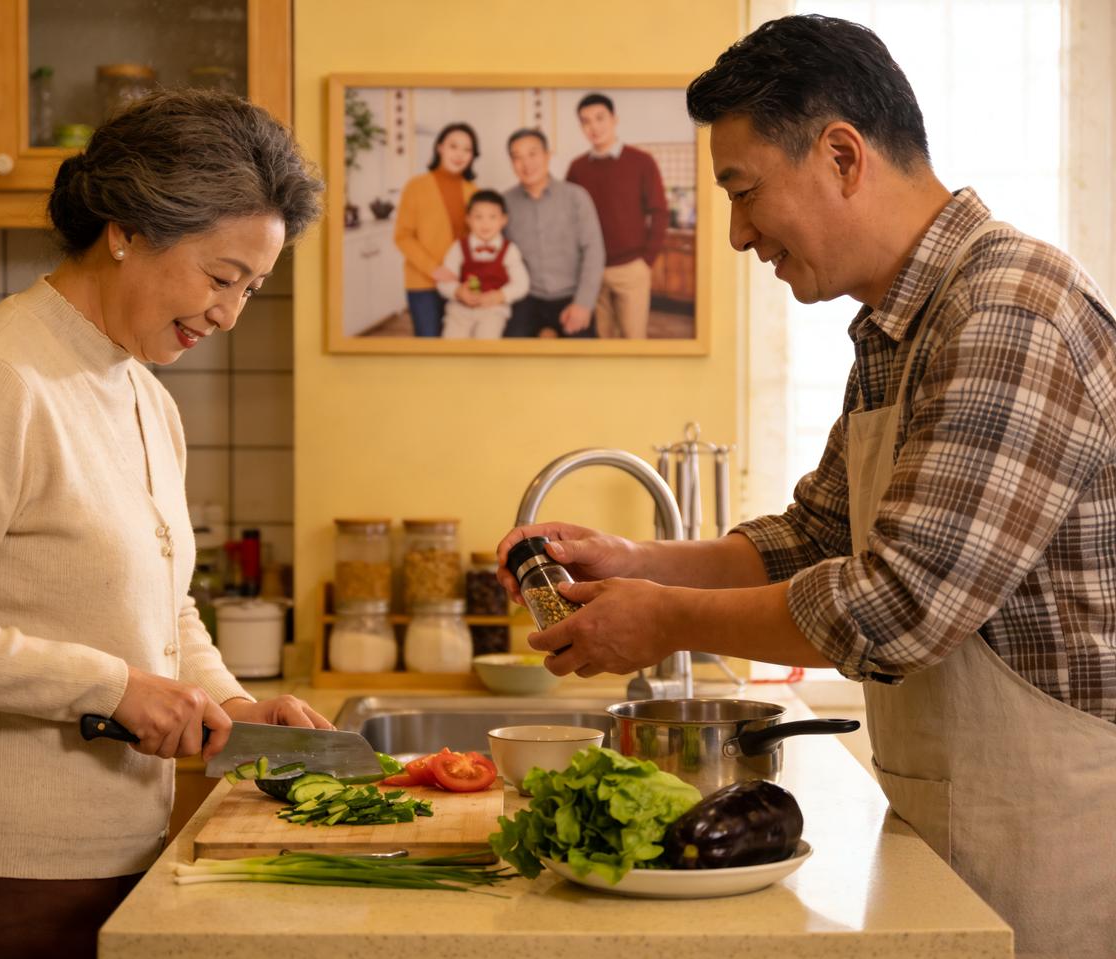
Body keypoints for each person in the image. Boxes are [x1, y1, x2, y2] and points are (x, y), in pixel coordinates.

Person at [497, 15, 1115, 959]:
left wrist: (663, 617)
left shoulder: (1009, 311)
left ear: (840, 155)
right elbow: (815, 533)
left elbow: (898, 606)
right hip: (960, 818)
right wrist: (631, 559)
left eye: (744, 193)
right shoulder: (899, 322)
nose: (739, 234)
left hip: (1058, 834)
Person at [0, 89, 332, 959]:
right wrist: (111, 688)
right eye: (221, 277)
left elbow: (166, 607)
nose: (229, 314)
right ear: (127, 228)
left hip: (118, 854)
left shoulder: (142, 389)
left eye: (252, 287)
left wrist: (237, 708)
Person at [566, 93, 669, 339]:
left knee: (634, 341)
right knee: (601, 341)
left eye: (600, 118)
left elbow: (659, 211)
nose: (594, 127)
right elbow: (569, 219)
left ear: (614, 119)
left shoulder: (642, 162)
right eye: (586, 121)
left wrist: (647, 260)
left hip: (631, 268)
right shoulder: (577, 168)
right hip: (591, 270)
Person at [501, 128, 605, 338]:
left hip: (571, 294)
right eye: (517, 157)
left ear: (547, 155)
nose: (526, 164)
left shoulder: (576, 197)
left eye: (533, 153)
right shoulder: (504, 203)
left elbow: (594, 251)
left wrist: (583, 304)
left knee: (587, 362)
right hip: (526, 296)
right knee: (509, 357)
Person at [393, 122, 479, 337]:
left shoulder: (474, 192)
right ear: (439, 147)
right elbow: (403, 236)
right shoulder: (416, 186)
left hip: (461, 283)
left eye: (467, 149)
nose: (460, 154)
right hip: (424, 284)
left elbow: (477, 241)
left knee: (460, 347)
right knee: (429, 345)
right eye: (453, 146)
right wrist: (434, 269)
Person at [436, 190, 529, 339]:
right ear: (468, 219)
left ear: (503, 220)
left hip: (493, 310)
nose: (485, 223)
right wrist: (458, 291)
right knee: (452, 344)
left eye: (492, 217)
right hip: (460, 310)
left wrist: (500, 295)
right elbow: (443, 281)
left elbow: (522, 284)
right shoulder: (458, 247)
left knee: (487, 342)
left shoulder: (509, 249)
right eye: (478, 217)